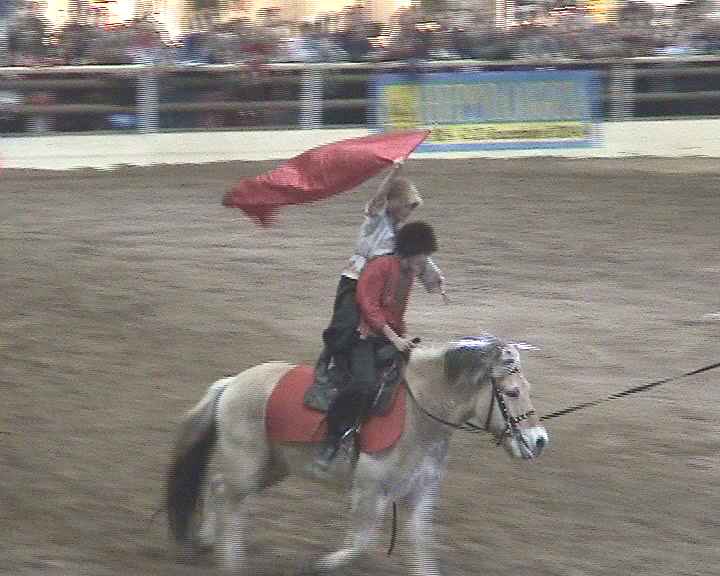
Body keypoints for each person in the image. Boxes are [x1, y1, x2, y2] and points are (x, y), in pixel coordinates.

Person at [312, 221, 439, 472]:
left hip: (389, 337)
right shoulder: (380, 267)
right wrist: (395, 339)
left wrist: (403, 338)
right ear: (409, 252)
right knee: (365, 384)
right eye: (422, 255)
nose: (424, 261)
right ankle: (332, 437)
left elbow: (396, 314)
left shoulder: (407, 274)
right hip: (364, 338)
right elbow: (369, 308)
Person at [315, 161, 446, 389]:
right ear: (393, 202)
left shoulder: (398, 231)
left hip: (378, 281)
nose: (409, 212)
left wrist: (435, 278)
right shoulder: (375, 218)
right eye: (407, 206)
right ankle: (326, 361)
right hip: (354, 278)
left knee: (373, 324)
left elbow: (417, 255)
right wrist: (393, 173)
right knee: (345, 323)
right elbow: (378, 198)